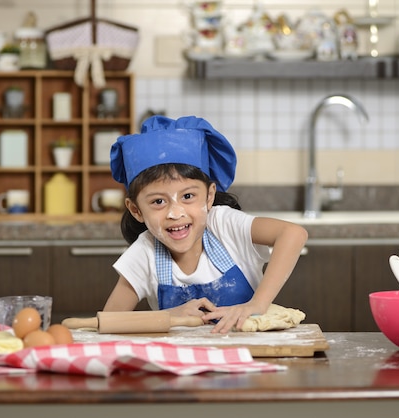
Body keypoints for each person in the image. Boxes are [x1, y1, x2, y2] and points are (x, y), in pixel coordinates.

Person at [104, 115, 308, 333]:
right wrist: (168, 317)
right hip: (182, 362)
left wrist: (257, 304)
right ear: (136, 210)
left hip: (250, 357)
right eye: (158, 201)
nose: (175, 213)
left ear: (210, 196)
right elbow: (109, 322)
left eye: (188, 196)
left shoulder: (223, 225)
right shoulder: (145, 253)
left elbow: (293, 233)